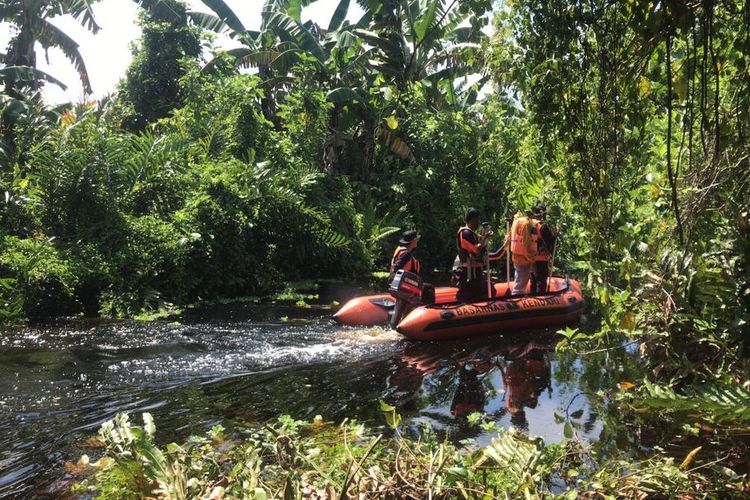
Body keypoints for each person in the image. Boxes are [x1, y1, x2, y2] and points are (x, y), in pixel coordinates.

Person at [454, 208, 503, 302]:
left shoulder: (472, 233)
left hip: (476, 271)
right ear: (472, 219)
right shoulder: (465, 233)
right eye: (477, 220)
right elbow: (476, 249)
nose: (478, 222)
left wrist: (485, 236)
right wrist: (485, 237)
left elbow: (481, 244)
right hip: (468, 272)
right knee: (466, 294)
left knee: (479, 293)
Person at [529, 201, 557, 294]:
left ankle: (532, 297)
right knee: (541, 281)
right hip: (541, 258)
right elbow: (550, 241)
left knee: (533, 279)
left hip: (530, 257)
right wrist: (555, 235)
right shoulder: (543, 226)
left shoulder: (529, 225)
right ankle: (541, 299)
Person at [509, 213, 536, 295]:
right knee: (520, 286)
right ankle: (516, 302)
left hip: (516, 256)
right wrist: (532, 259)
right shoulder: (525, 223)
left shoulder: (517, 220)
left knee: (520, 281)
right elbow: (526, 242)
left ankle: (519, 298)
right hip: (523, 258)